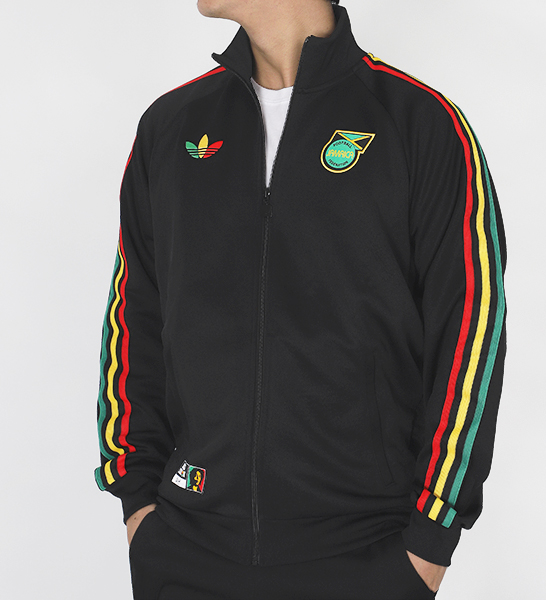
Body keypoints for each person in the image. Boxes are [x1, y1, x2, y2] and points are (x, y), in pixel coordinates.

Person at [94, 1, 507, 598]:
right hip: (186, 548)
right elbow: (132, 318)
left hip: (363, 554)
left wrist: (429, 542)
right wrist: (138, 504)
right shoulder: (172, 125)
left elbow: (471, 330)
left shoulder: (420, 124)